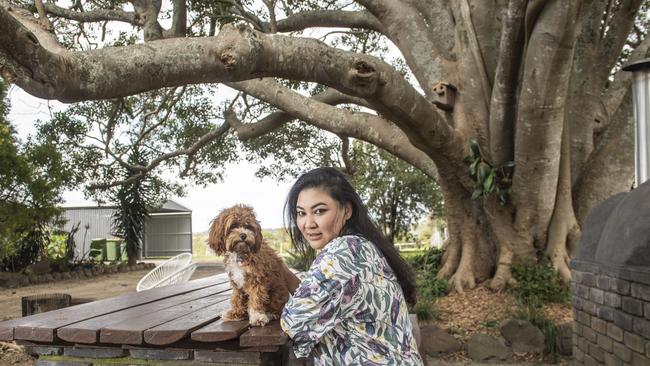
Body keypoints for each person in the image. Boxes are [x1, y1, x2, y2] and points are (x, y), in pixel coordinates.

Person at [280, 167, 424, 366]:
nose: (308, 223)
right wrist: (281, 270)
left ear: (347, 210)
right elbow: (321, 289)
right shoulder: (361, 245)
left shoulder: (344, 252)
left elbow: (294, 322)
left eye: (319, 211)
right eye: (301, 213)